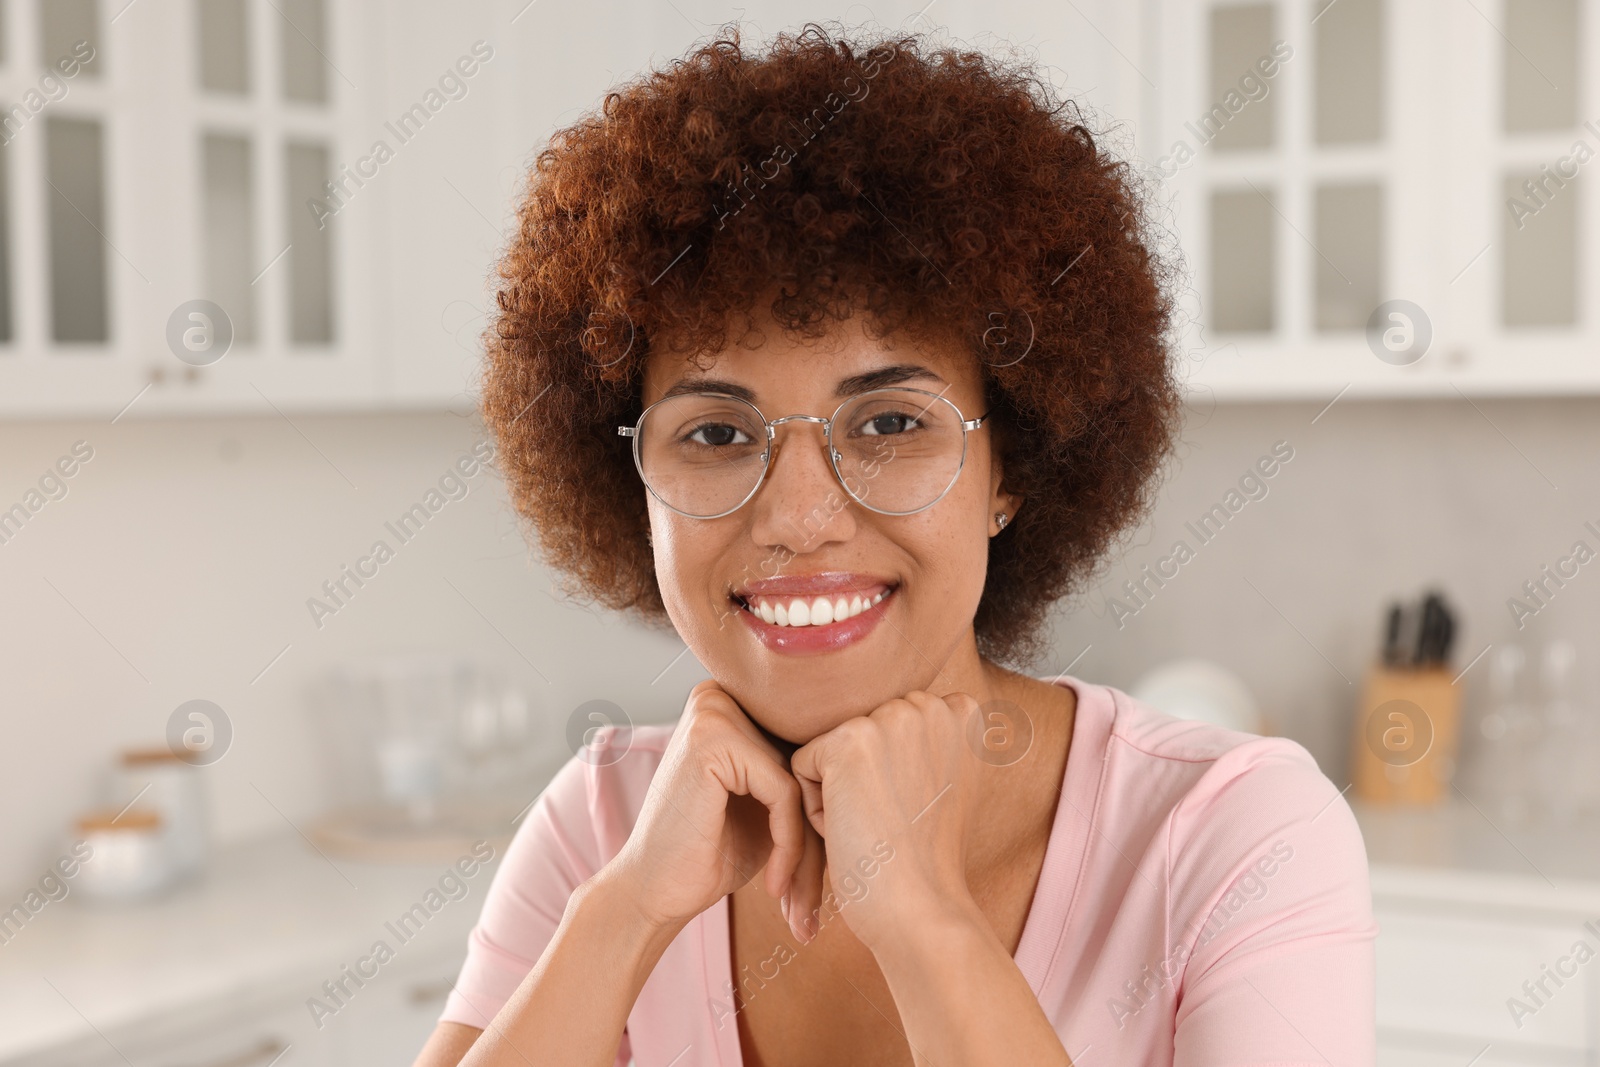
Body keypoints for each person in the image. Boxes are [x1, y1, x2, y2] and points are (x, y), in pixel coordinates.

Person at [412, 21, 1374, 1067]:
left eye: (887, 423)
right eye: (717, 433)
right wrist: (630, 908)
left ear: (1010, 466)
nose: (797, 516)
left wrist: (922, 915)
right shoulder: (605, 822)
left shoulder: (1238, 835)